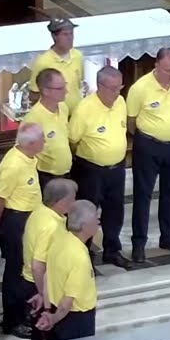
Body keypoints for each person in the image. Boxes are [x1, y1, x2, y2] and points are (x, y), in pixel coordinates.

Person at [35, 200, 101, 340]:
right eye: (96, 220)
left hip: (57, 311)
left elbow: (47, 276)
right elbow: (68, 301)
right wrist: (53, 317)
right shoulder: (78, 256)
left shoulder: (61, 239)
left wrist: (47, 310)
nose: (99, 223)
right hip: (76, 319)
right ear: (85, 225)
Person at [126, 48, 170, 262]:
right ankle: (139, 244)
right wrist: (150, 137)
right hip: (148, 146)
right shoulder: (140, 88)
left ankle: (168, 238)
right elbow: (131, 121)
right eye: (166, 70)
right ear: (156, 65)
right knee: (143, 195)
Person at [69, 66, 133, 270]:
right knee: (88, 212)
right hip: (91, 170)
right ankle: (83, 254)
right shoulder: (84, 109)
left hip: (117, 168)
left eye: (120, 87)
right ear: (100, 86)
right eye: (113, 88)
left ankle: (112, 251)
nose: (117, 93)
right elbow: (73, 140)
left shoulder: (120, 102)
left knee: (114, 211)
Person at [0, 122, 44, 340]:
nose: (45, 143)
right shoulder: (13, 165)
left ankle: (26, 312)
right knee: (16, 271)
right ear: (31, 144)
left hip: (29, 218)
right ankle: (12, 320)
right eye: (42, 140)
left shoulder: (29, 157)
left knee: (27, 268)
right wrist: (0, 222)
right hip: (16, 220)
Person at [22, 178, 78, 340]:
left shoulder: (39, 211)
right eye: (72, 199)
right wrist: (43, 295)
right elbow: (38, 264)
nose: (74, 203)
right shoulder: (51, 226)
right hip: (41, 284)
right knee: (47, 336)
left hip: (32, 281)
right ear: (61, 201)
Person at [23, 68, 72, 190]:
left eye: (65, 86)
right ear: (45, 91)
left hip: (67, 173)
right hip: (46, 178)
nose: (66, 91)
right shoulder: (33, 118)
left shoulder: (63, 108)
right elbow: (23, 153)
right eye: (60, 88)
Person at [28, 18, 84, 110]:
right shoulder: (43, 62)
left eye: (71, 33)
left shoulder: (78, 56)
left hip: (76, 112)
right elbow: (34, 94)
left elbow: (79, 85)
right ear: (54, 36)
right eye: (65, 34)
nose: (70, 38)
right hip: (55, 114)